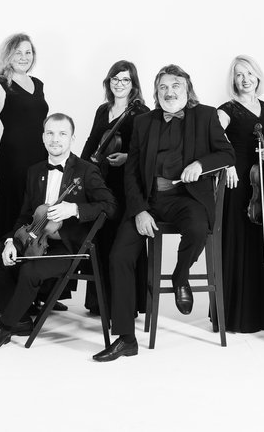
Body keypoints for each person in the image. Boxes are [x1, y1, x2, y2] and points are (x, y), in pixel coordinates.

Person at [94, 65, 234, 362]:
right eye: (163, 87)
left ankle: (180, 275)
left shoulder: (206, 115)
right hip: (150, 201)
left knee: (197, 228)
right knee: (119, 256)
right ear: (156, 93)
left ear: (187, 89)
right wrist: (140, 210)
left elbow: (227, 154)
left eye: (175, 86)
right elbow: (132, 172)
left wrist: (201, 165)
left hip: (187, 198)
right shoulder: (144, 122)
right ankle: (126, 338)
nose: (169, 92)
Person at [0, 113, 117, 352]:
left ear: (72, 138)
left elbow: (110, 206)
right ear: (43, 137)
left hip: (68, 246)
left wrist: (74, 209)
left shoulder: (86, 170)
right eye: (50, 133)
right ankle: (20, 319)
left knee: (30, 270)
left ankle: (5, 327)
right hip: (34, 237)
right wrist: (10, 241)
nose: (55, 139)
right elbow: (25, 215)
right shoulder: (34, 171)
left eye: (62, 134)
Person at [0, 33, 48, 311]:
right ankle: (5, 298)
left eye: (28, 52)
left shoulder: (38, 84)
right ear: (8, 55)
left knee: (37, 225)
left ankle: (36, 294)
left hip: (38, 163)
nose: (24, 57)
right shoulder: (0, 84)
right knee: (11, 225)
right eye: (18, 52)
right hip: (11, 164)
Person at [215, 55, 264, 333]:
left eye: (249, 73)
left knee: (260, 242)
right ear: (234, 80)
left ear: (257, 76)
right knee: (237, 240)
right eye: (239, 74)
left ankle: (262, 313)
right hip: (236, 182)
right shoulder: (226, 110)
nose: (245, 79)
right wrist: (228, 163)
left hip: (260, 184)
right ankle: (233, 315)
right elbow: (213, 141)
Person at [79, 60, 150, 316]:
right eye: (115, 79)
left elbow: (147, 152)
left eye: (125, 79)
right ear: (109, 82)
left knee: (120, 241)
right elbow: (91, 143)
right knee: (99, 237)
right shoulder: (102, 110)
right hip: (100, 182)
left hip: (124, 185)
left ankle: (125, 303)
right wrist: (79, 170)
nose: (119, 84)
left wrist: (126, 158)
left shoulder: (141, 112)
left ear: (133, 84)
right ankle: (99, 302)